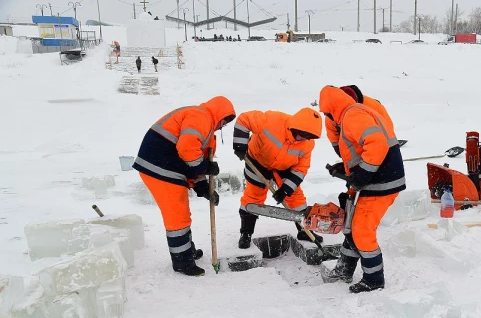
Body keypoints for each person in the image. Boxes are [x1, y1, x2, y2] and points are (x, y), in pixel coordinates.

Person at [133, 96, 236, 276]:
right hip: (159, 166)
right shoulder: (200, 116)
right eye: (224, 120)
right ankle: (182, 262)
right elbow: (187, 150)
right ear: (218, 113)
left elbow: (192, 164)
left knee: (182, 214)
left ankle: (186, 252)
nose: (223, 126)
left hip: (168, 166)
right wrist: (205, 167)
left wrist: (203, 188)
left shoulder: (207, 131)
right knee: (177, 215)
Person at [319, 85, 406, 293]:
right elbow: (363, 148)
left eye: (327, 112)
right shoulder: (355, 113)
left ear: (332, 107)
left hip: (381, 182)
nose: (328, 117)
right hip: (376, 180)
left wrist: (363, 174)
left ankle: (374, 279)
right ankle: (345, 269)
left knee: (362, 230)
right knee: (352, 225)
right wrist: (346, 168)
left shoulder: (353, 115)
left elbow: (377, 144)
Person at [232, 107, 323, 249]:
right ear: (296, 128)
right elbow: (244, 120)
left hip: (284, 166)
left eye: (309, 137)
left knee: (296, 198)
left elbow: (301, 169)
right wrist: (239, 145)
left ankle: (305, 230)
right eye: (303, 135)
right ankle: (246, 233)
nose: (305, 139)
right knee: (253, 196)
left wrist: (286, 190)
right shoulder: (271, 120)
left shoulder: (307, 144)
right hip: (257, 160)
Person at [325, 85, 394, 158]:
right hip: (350, 138)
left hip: (377, 139)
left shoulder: (372, 106)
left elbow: (387, 127)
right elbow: (332, 133)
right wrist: (342, 153)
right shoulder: (332, 112)